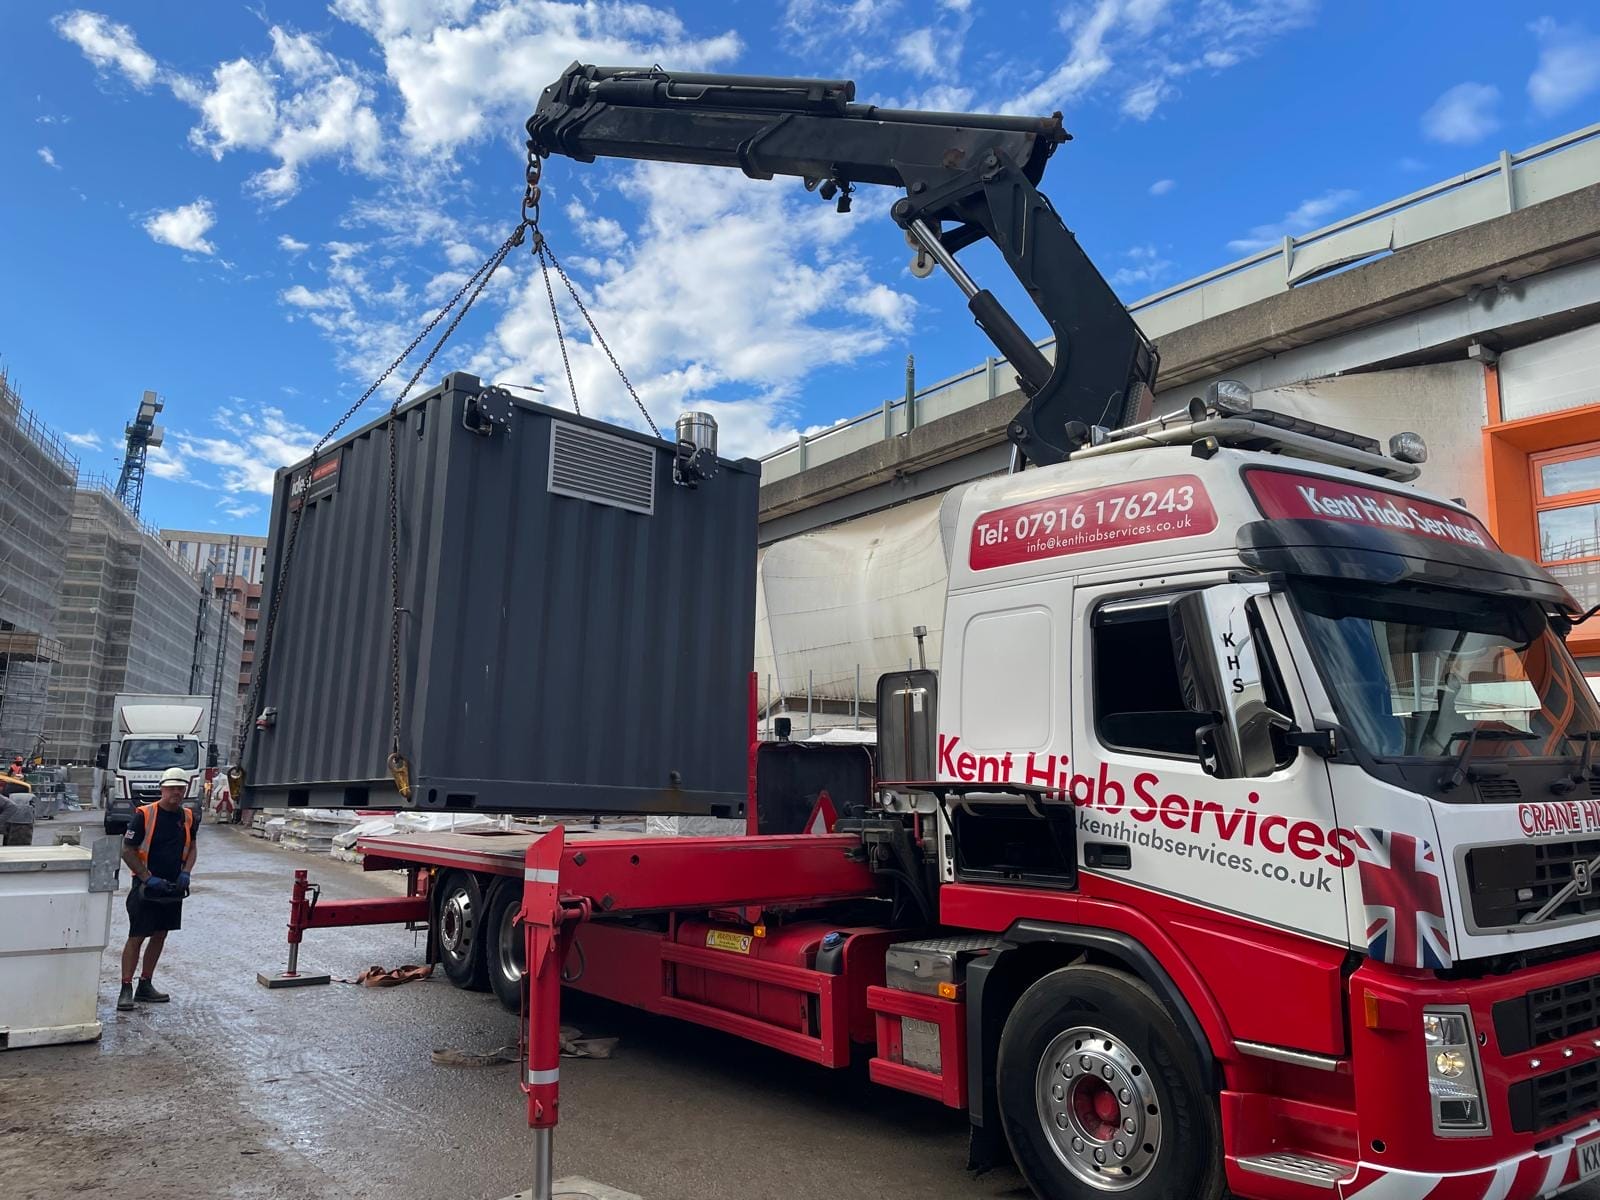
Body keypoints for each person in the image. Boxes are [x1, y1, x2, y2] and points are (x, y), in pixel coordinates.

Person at [117, 766, 197, 1011]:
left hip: (172, 885)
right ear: (162, 789)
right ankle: (126, 988)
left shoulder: (188, 817)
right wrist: (145, 877)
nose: (176, 792)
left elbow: (192, 847)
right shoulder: (144, 815)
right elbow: (127, 850)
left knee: (161, 934)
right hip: (147, 886)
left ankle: (145, 984)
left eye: (180, 788)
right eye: (171, 788)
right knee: (137, 935)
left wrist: (186, 872)